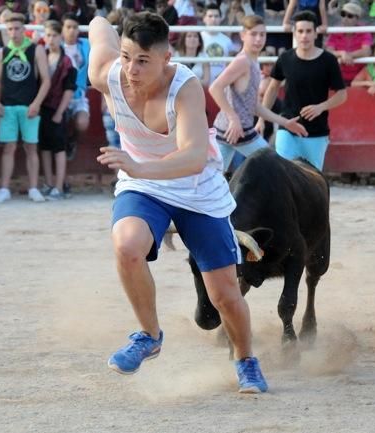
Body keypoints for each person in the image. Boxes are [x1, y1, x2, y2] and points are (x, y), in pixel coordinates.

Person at [88, 11, 269, 394]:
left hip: (197, 191)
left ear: (166, 57)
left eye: (142, 60)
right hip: (144, 186)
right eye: (125, 56)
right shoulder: (108, 75)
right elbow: (98, 26)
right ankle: (149, 335)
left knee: (224, 295)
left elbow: (193, 157)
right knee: (126, 244)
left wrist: (138, 165)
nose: (131, 69)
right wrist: (106, 18)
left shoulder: (184, 87)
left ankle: (246, 359)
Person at [210, 15, 307, 173]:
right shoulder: (242, 61)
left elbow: (253, 106)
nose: (258, 39)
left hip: (229, 130)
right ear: (243, 35)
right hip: (237, 129)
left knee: (213, 179)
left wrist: (285, 122)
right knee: (276, 166)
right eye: (253, 34)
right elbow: (215, 88)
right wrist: (233, 118)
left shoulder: (253, 61)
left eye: (262, 34)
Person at [260, 10, 347, 170]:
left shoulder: (328, 60)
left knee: (312, 181)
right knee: (283, 175)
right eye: (300, 31)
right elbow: (272, 89)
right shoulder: (285, 58)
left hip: (316, 132)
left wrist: (321, 107)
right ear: (294, 33)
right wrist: (261, 119)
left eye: (308, 31)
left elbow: (342, 94)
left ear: (315, 34)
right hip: (288, 127)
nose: (304, 36)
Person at [0, 12, 51, 203]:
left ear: (24, 30)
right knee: (8, 148)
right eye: (10, 29)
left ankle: (33, 187)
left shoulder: (36, 50)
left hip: (29, 106)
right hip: (7, 105)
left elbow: (46, 81)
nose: (14, 32)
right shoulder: (3, 52)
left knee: (31, 148)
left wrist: (36, 103)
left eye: (17, 28)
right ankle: (4, 188)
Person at [39, 20, 77, 200]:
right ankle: (48, 183)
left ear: (60, 37)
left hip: (57, 108)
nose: (51, 39)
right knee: (45, 147)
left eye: (54, 35)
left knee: (59, 148)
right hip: (42, 108)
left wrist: (60, 112)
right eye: (48, 35)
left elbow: (69, 89)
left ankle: (60, 187)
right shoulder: (42, 55)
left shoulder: (67, 61)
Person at [61, 12, 90, 166]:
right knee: (60, 127)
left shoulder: (85, 44)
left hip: (79, 94)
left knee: (82, 123)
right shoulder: (56, 45)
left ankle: (73, 141)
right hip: (59, 95)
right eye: (68, 27)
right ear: (62, 29)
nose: (72, 30)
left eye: (75, 27)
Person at [325, 2, 373, 85]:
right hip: (338, 75)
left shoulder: (364, 31)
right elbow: (328, 51)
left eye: (350, 16)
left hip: (360, 77)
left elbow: (366, 51)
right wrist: (342, 53)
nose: (345, 18)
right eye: (343, 14)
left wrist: (349, 55)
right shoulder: (335, 31)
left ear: (357, 18)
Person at [201, 5, 235, 83]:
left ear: (220, 19)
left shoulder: (227, 41)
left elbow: (231, 65)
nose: (213, 19)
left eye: (216, 16)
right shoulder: (199, 38)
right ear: (204, 19)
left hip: (222, 84)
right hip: (202, 84)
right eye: (210, 16)